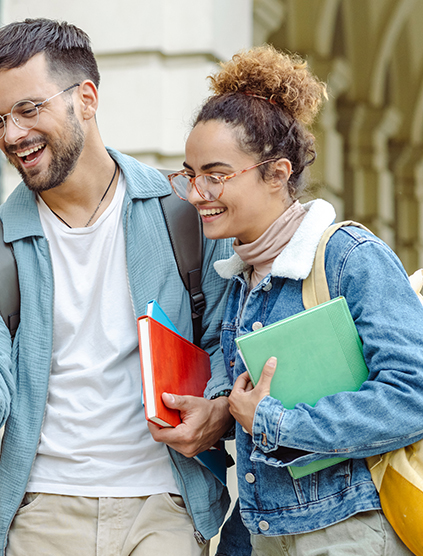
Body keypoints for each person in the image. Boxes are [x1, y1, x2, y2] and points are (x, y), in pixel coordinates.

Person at [0, 18, 235, 556]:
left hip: (166, 504)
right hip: (44, 513)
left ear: (86, 98)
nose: (11, 136)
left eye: (28, 109)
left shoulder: (186, 214)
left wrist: (220, 408)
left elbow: (228, 338)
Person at [172, 44, 423, 555]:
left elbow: (413, 394)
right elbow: (251, 400)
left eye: (216, 175)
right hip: (266, 531)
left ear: (278, 173)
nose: (197, 192)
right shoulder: (239, 276)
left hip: (350, 530)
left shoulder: (349, 257)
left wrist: (276, 423)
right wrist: (221, 408)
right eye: (190, 175)